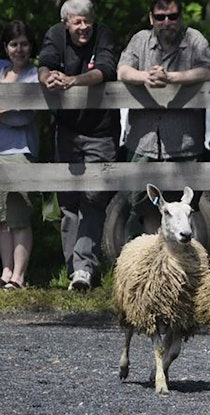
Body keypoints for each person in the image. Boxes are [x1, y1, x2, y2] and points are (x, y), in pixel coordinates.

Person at [38, 0, 120, 291]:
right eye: (77, 22)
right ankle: (75, 270)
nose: (84, 27)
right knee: (69, 203)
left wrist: (73, 81)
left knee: (94, 198)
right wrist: (48, 79)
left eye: (87, 21)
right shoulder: (55, 35)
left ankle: (84, 267)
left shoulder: (104, 34)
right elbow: (45, 63)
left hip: (101, 131)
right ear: (66, 24)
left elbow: (106, 70)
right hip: (67, 130)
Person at [118, 0, 210, 235]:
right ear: (151, 18)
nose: (166, 22)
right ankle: (155, 253)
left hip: (185, 144)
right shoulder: (140, 39)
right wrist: (145, 77)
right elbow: (122, 70)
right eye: (160, 17)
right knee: (146, 208)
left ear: (180, 17)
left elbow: (207, 69)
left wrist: (171, 78)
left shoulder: (194, 39)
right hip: (144, 142)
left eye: (172, 16)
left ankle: (184, 257)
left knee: (185, 210)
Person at [0, 20, 38, 290]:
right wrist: (9, 109)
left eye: (24, 44)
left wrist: (5, 111)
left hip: (21, 150)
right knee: (2, 218)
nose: (19, 50)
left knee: (19, 215)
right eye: (14, 44)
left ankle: (19, 275)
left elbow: (26, 116)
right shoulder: (0, 69)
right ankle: (6, 270)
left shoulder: (35, 75)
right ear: (6, 47)